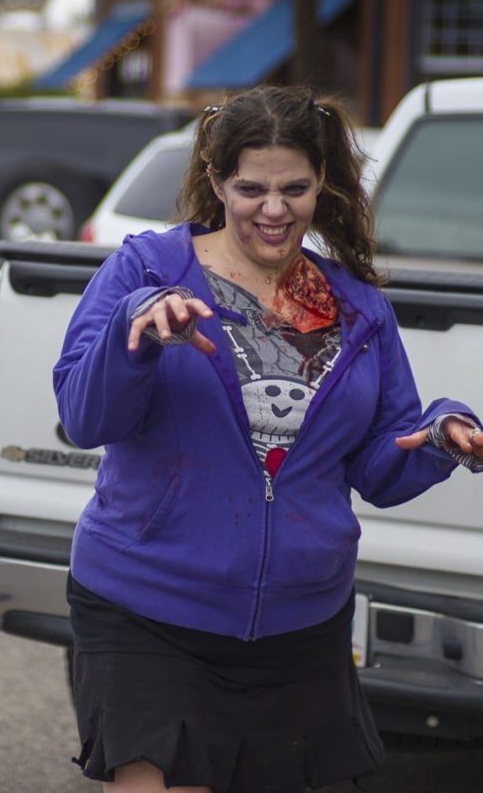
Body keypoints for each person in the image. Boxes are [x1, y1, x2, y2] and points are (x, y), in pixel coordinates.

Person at [53, 85, 483, 793]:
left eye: (296, 188)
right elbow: (85, 418)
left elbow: (379, 465)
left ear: (323, 185)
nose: (275, 209)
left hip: (300, 625)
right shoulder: (149, 271)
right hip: (148, 607)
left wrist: (437, 437)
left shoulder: (356, 307)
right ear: (217, 181)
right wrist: (139, 333)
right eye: (252, 188)